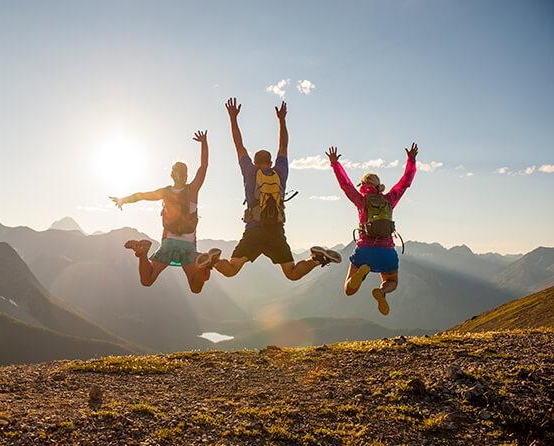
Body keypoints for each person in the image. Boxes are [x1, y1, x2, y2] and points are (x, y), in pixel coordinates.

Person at [214, 98, 341, 280]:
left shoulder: (250, 171)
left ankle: (213, 260)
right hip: (275, 231)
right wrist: (282, 120)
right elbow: (283, 145)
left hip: (253, 231)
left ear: (255, 162)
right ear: (271, 161)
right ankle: (316, 259)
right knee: (292, 273)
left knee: (232, 268)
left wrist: (233, 118)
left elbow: (238, 145)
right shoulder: (280, 171)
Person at [110, 130, 221, 294]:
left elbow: (141, 196)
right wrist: (204, 143)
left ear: (172, 175)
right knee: (196, 288)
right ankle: (205, 266)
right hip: (188, 246)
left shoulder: (164, 192)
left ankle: (142, 253)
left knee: (147, 280)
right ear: (186, 175)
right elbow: (203, 167)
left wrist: (123, 200)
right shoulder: (192, 190)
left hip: (168, 243)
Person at [325, 143, 418, 315]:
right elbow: (405, 183)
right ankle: (382, 291)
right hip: (387, 251)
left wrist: (335, 164)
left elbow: (345, 184)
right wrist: (411, 160)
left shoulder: (361, 200)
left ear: (363, 186)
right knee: (392, 281)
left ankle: (361, 273)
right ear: (378, 186)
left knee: (349, 289)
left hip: (364, 250)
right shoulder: (389, 199)